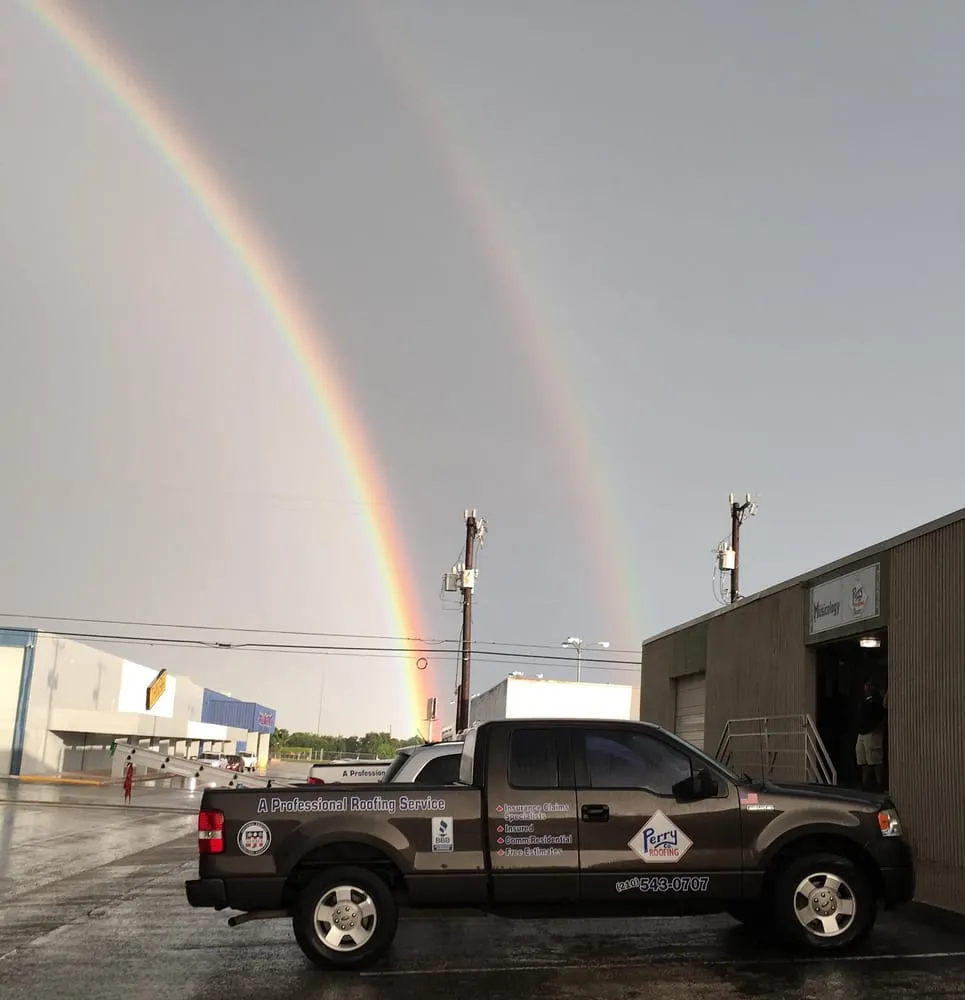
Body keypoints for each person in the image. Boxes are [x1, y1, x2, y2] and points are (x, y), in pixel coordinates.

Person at [855, 679, 886, 791]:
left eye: (870, 685)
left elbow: (881, 716)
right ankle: (865, 783)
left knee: (875, 758)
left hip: (872, 732)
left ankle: (879, 784)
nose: (868, 688)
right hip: (862, 733)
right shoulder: (863, 702)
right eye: (866, 685)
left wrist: (877, 726)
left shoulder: (877, 701)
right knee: (863, 759)